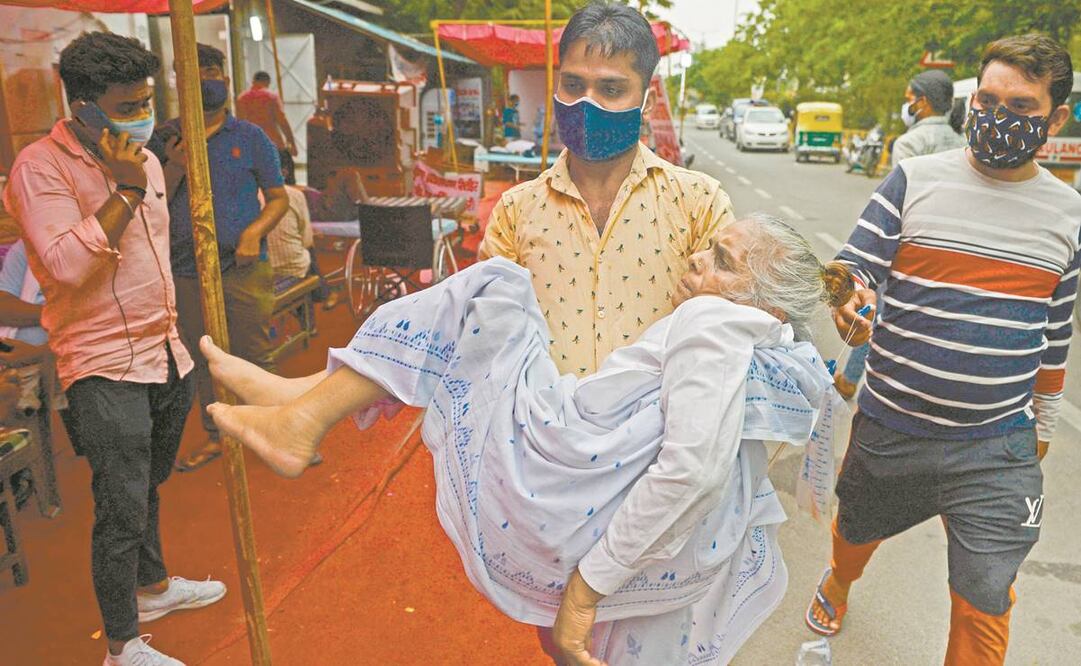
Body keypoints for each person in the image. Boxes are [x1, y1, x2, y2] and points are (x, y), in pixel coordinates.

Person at [202, 215, 852, 666]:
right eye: (708, 246)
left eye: (721, 261)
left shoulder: (716, 319)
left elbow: (692, 471)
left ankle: (305, 413)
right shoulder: (772, 347)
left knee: (494, 290)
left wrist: (585, 591)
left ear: (764, 302)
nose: (695, 260)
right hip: (600, 487)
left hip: (565, 461)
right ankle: (308, 402)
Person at [807, 34, 1081, 665]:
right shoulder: (915, 180)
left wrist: (1041, 422)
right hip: (892, 426)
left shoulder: (1067, 215)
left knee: (986, 595)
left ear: (1056, 118)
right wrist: (844, 291)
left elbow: (1055, 331)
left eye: (1020, 105)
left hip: (995, 445)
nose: (996, 116)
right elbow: (855, 265)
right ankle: (840, 580)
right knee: (854, 535)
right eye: (986, 100)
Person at [3, 32, 226, 666]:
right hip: (101, 363)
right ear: (83, 106)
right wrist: (124, 191)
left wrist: (163, 172)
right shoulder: (39, 168)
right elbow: (67, 265)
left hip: (164, 349)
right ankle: (122, 646)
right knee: (119, 502)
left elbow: (149, 252)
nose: (141, 115)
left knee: (148, 483)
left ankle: (152, 588)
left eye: (146, 101)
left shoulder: (148, 160)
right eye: (127, 105)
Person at [480, 2, 734, 379]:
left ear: (646, 101)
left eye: (611, 89)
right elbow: (490, 337)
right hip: (543, 431)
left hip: (662, 432)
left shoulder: (699, 204)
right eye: (572, 85)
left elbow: (726, 333)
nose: (587, 103)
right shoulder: (515, 212)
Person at [148, 43, 289, 472]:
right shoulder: (163, 137)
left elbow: (278, 199)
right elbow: (149, 201)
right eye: (196, 71)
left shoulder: (250, 137)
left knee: (254, 351)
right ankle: (220, 438)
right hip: (186, 270)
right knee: (206, 357)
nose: (207, 79)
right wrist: (174, 165)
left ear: (226, 79)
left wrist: (253, 233)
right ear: (179, 80)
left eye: (213, 70)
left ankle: (277, 433)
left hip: (243, 267)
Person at [833, 69, 966, 400]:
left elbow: (904, 206)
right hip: (959, 248)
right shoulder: (963, 142)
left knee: (880, 312)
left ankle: (855, 379)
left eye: (908, 99)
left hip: (913, 246)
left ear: (921, 103)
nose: (906, 105)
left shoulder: (909, 144)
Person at [236, 71, 298, 184]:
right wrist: (292, 143)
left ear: (253, 81)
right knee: (284, 181)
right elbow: (282, 122)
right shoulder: (271, 97)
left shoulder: (241, 99)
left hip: (251, 148)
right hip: (273, 146)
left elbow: (239, 125)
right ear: (267, 82)